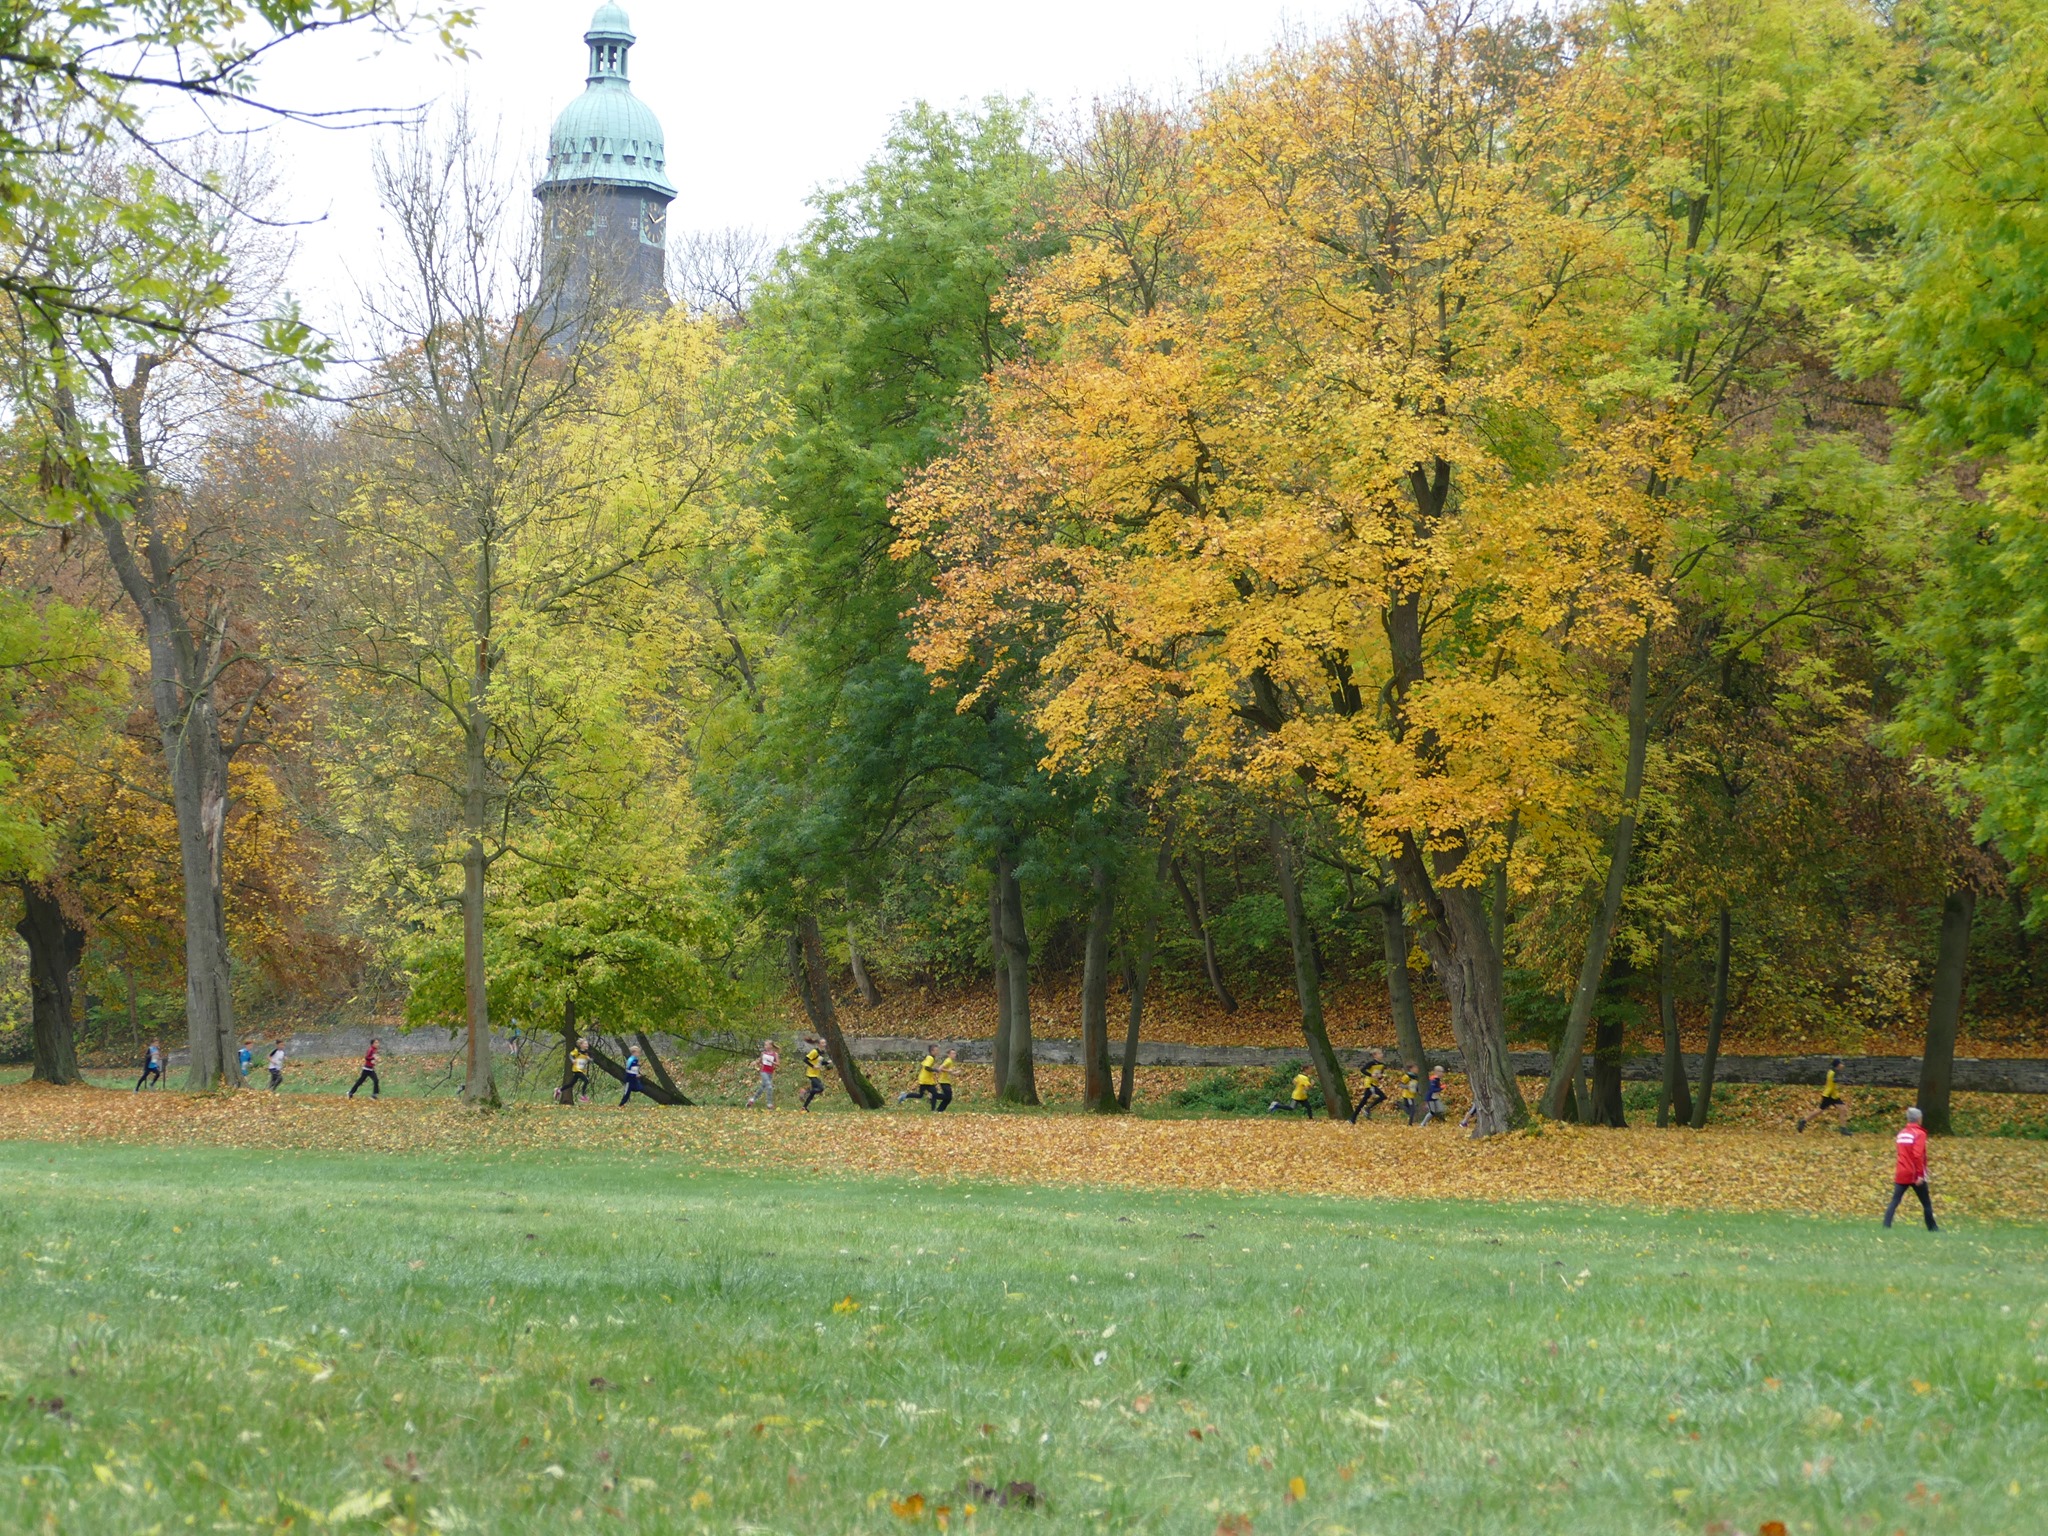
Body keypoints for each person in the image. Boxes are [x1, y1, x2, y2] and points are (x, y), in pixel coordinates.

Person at [1883, 1106, 1938, 1231]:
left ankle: (1886, 1225)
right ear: (1919, 1119)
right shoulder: (1920, 1134)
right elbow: (1917, 1154)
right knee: (1926, 1203)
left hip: (1901, 1171)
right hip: (1914, 1174)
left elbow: (1904, 1154)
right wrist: (1920, 1173)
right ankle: (1932, 1227)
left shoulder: (1901, 1133)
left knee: (1895, 1201)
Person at [1799, 1059, 1851, 1135]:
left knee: (1843, 1110)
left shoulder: (1834, 1071)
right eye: (1841, 1064)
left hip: (1833, 1095)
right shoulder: (1832, 1072)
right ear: (1837, 1065)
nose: (1843, 1065)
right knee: (1819, 1111)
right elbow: (1834, 1080)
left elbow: (1836, 1079)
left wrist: (1845, 1080)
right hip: (1829, 1095)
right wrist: (1844, 1080)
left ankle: (1843, 1129)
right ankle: (1803, 1121)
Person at [1350, 1051, 1388, 1123]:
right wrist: (1371, 1075)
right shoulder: (1371, 1063)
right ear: (1375, 1055)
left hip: (1375, 1083)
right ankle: (1366, 1110)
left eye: (1381, 1053)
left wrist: (1380, 1077)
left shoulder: (1382, 1065)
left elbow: (1379, 1075)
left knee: (1364, 1101)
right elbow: (1362, 1070)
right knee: (1382, 1096)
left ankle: (1354, 1117)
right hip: (1369, 1083)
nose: (1382, 1055)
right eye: (1379, 1053)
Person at [799, 1038, 830, 1111]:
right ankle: (804, 1091)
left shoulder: (822, 1052)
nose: (824, 1044)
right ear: (819, 1044)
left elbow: (819, 1063)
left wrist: (827, 1062)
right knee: (821, 1088)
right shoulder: (814, 1051)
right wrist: (813, 1066)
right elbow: (805, 1059)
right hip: (811, 1073)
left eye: (825, 1043)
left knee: (813, 1092)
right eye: (822, 1043)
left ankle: (804, 1107)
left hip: (816, 1074)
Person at [747, 1039, 780, 1107]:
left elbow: (778, 1064)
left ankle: (752, 1100)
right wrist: (754, 1062)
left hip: (770, 1073)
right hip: (763, 1072)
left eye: (767, 1045)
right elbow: (759, 1060)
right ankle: (769, 1103)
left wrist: (772, 1062)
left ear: (770, 1046)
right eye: (765, 1045)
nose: (765, 1046)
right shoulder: (763, 1053)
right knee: (769, 1087)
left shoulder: (775, 1054)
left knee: (762, 1088)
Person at [564, 1036, 593, 1104]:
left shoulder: (586, 1053)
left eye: (587, 1044)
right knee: (586, 1080)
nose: (587, 1045)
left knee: (571, 1084)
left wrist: (589, 1059)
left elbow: (592, 1060)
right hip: (576, 1069)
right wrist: (572, 1060)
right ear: (581, 1045)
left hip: (581, 1070)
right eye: (585, 1044)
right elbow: (570, 1055)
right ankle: (583, 1096)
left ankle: (559, 1090)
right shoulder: (577, 1051)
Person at [932, 1047, 956, 1112]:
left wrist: (955, 1073)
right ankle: (934, 1096)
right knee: (948, 1097)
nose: (954, 1055)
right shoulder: (948, 1061)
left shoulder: (950, 1061)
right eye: (953, 1053)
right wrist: (949, 1071)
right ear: (949, 1054)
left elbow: (949, 1071)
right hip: (943, 1081)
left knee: (948, 1098)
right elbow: (940, 1068)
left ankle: (939, 1110)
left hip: (947, 1081)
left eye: (955, 1053)